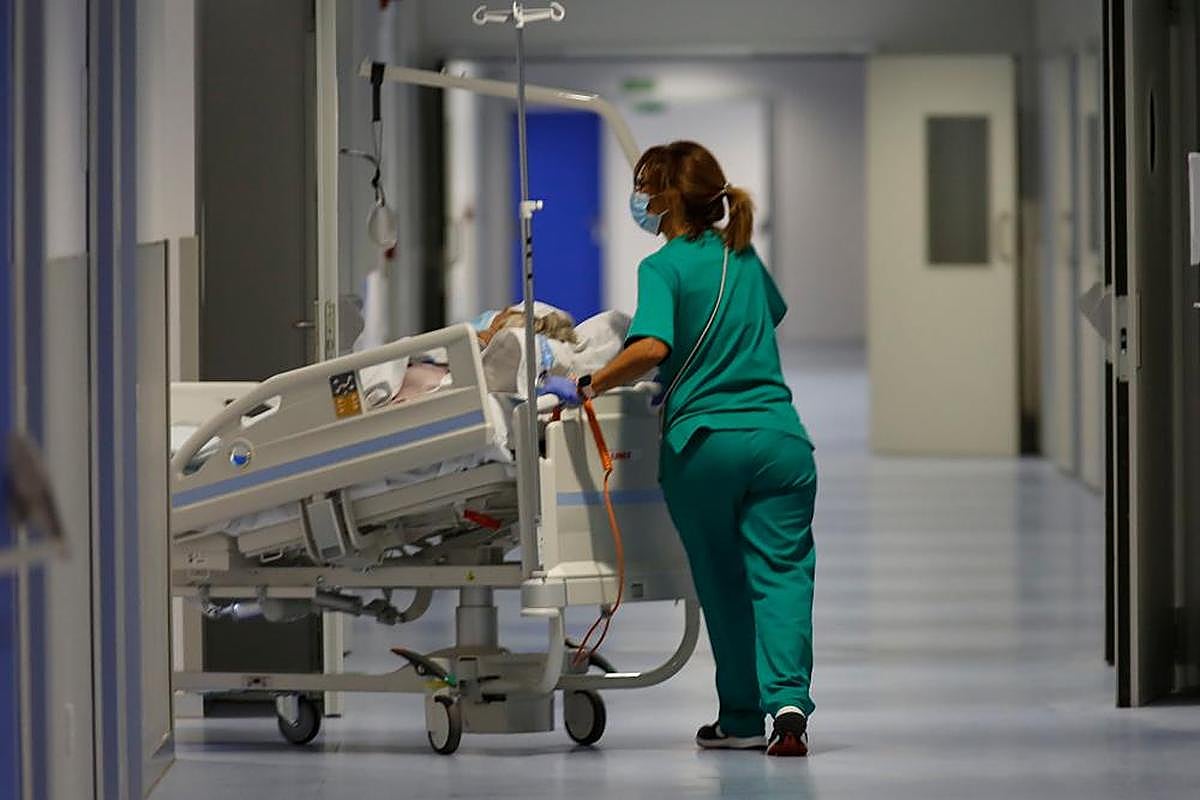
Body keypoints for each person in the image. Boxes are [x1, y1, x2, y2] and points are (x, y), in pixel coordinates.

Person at [546, 141, 817, 757]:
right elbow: (767, 318)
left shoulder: (662, 267)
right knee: (783, 579)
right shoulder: (743, 257)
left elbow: (652, 348)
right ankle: (791, 705)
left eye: (644, 187)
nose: (637, 198)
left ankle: (743, 718)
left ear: (667, 199)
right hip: (782, 444)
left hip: (707, 447)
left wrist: (587, 382)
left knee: (724, 584)